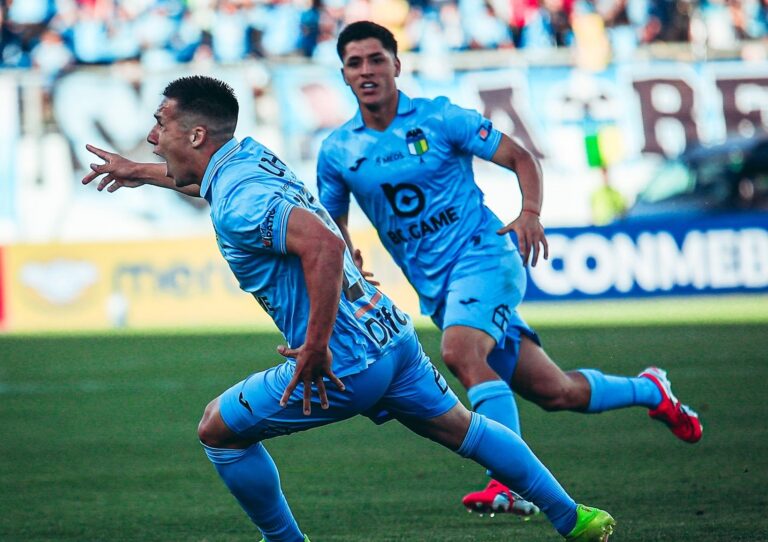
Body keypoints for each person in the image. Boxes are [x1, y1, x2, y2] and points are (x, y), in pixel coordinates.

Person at [81, 75, 615, 542]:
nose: (152, 137)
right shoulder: (245, 157)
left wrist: (314, 347)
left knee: (217, 429)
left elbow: (324, 244)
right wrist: (137, 171)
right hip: (389, 334)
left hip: (342, 363)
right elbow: (205, 182)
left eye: (160, 124)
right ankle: (576, 519)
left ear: (195, 134)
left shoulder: (239, 199)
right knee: (462, 428)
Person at [316, 20, 702, 516]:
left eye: (376, 59)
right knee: (555, 391)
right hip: (438, 288)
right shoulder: (338, 151)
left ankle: (509, 483)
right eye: (355, 63)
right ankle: (651, 389)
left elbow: (520, 157)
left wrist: (530, 214)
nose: (366, 70)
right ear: (344, 75)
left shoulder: (440, 119)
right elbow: (332, 223)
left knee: (459, 351)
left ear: (397, 64)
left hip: (485, 255)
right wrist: (351, 261)